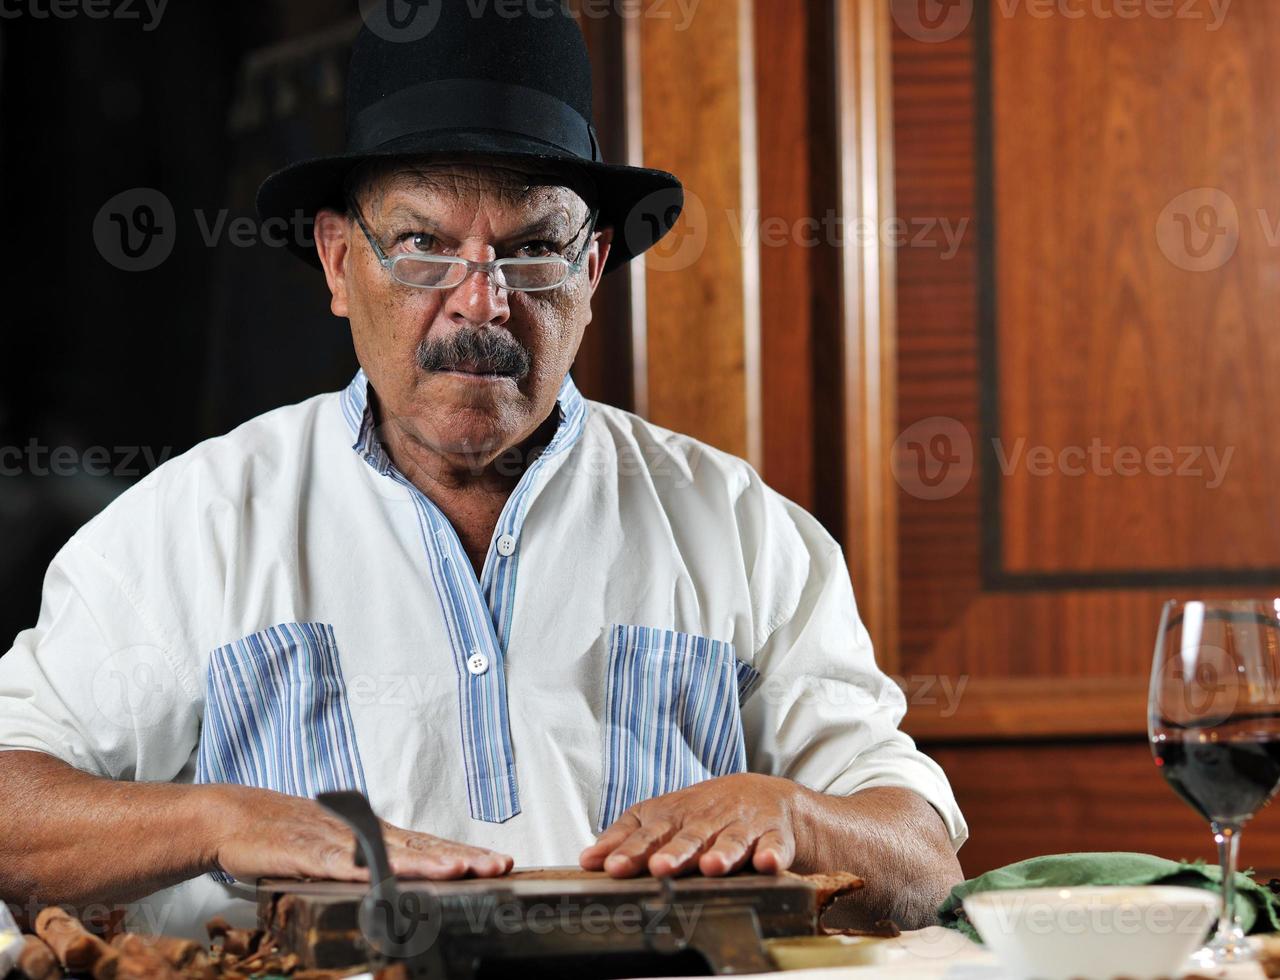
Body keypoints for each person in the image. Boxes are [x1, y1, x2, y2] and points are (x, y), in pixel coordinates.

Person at [0, 1, 966, 941]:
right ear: (340, 262)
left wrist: (799, 815)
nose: (481, 302)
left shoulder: (740, 529)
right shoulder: (193, 523)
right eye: (423, 244)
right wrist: (218, 820)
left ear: (592, 272)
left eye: (534, 248)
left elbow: (922, 861)